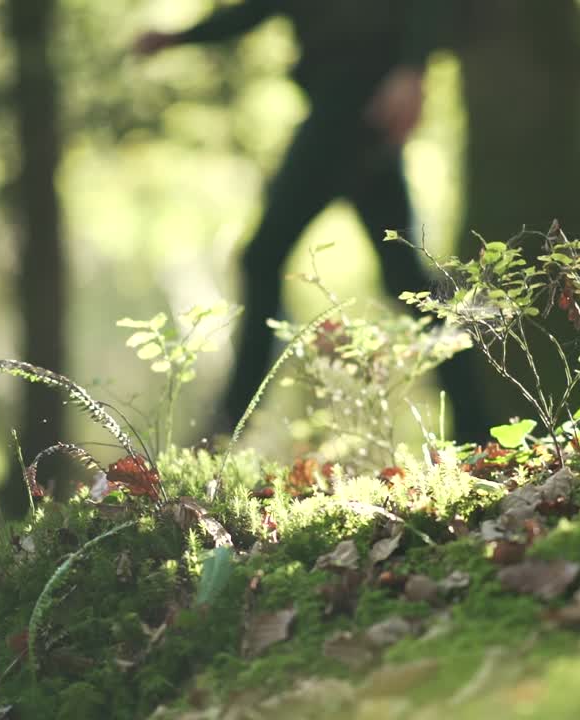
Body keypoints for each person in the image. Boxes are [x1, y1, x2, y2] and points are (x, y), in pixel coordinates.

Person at [134, 0, 491, 442]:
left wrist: (413, 70)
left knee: (263, 256)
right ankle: (479, 429)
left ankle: (228, 427)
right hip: (349, 106)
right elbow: (258, 8)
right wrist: (179, 37)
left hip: (352, 105)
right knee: (404, 278)